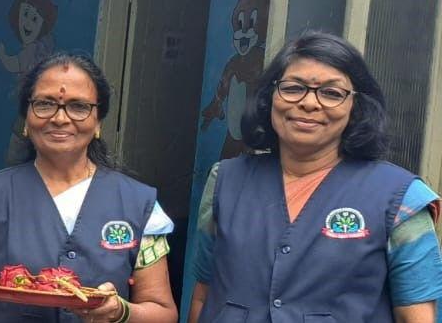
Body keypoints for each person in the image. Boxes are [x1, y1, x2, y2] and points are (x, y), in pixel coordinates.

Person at [188, 31, 442, 322]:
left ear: (356, 108)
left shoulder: (401, 200)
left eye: (332, 93)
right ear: (270, 96)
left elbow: (418, 316)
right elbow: (204, 295)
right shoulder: (225, 182)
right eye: (294, 88)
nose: (309, 103)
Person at [0, 52, 178, 323]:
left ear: (98, 123)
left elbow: (163, 313)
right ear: (26, 119)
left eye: (78, 107)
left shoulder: (138, 204)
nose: (60, 118)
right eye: (45, 104)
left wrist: (120, 312)